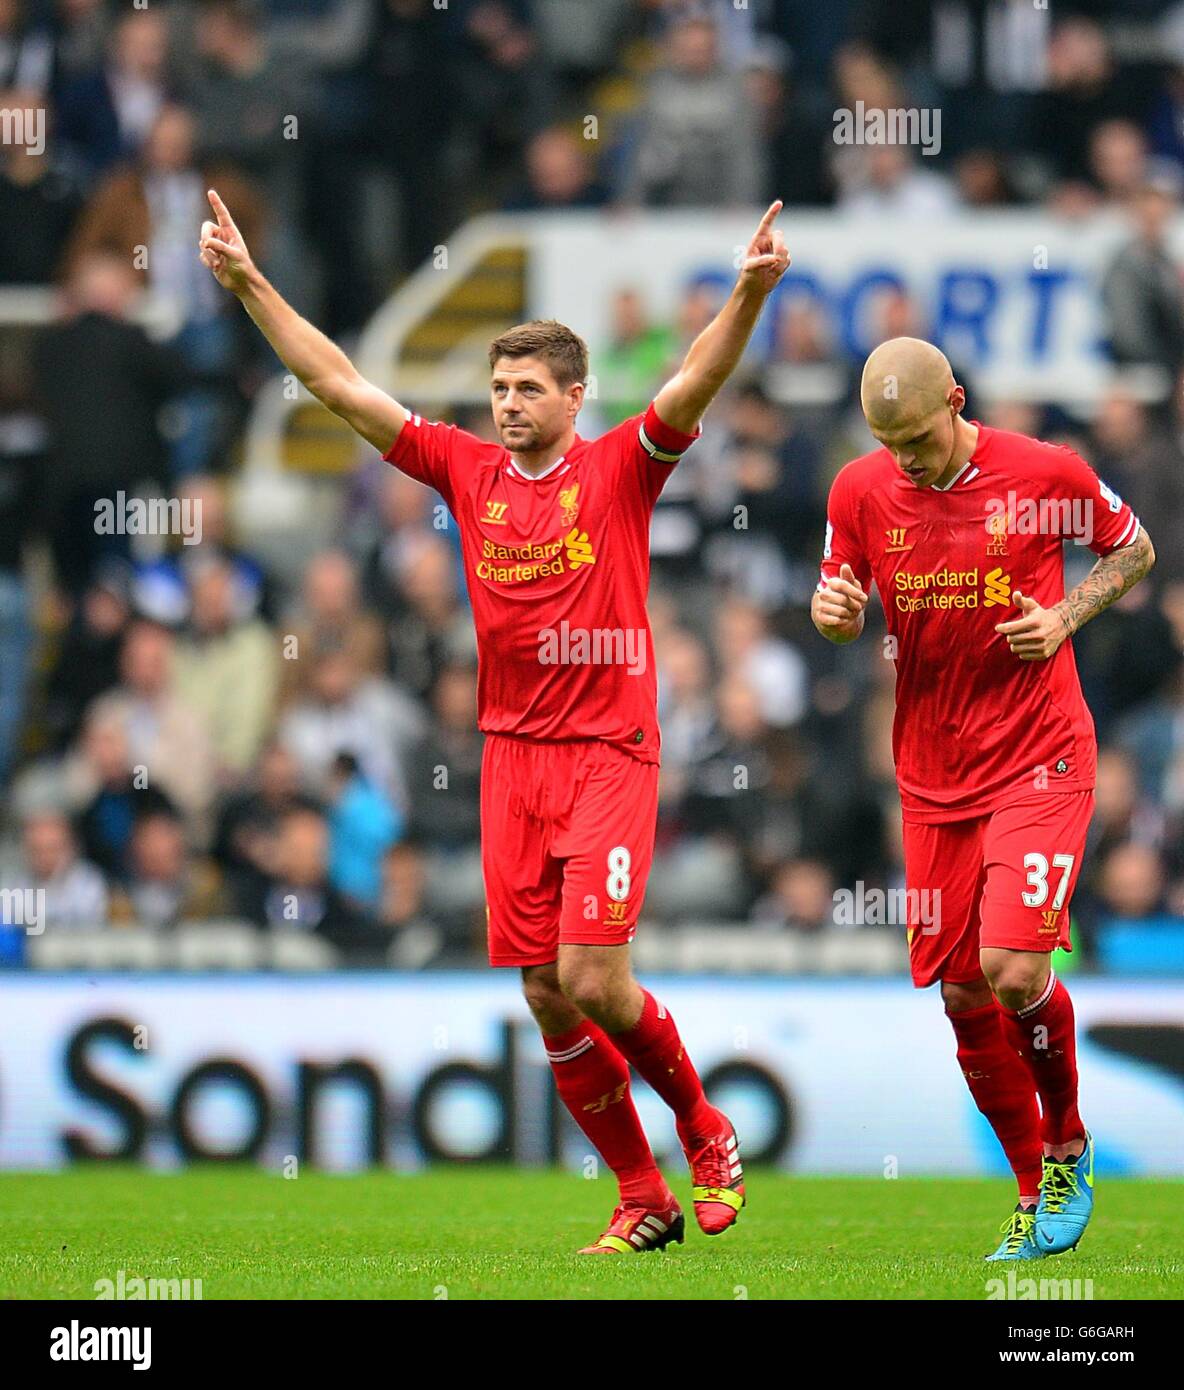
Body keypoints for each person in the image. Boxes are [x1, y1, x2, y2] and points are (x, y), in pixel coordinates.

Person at [199, 186, 791, 1254]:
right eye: (497, 388)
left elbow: (695, 374)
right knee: (541, 990)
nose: (506, 404)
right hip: (511, 757)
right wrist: (247, 284)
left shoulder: (618, 470)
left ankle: (703, 1129)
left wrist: (746, 295)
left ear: (575, 396)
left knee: (590, 976)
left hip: (610, 749)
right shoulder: (465, 472)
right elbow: (332, 381)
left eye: (526, 388)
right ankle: (638, 1193)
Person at [811, 336, 1156, 1262]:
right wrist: (834, 616)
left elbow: (1135, 548)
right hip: (930, 777)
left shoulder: (1045, 471)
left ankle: (1069, 1143)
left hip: (1040, 755)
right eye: (891, 444)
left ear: (956, 400)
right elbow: (835, 592)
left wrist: (1067, 614)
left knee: (1011, 966)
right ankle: (1030, 1190)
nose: (909, 459)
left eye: (921, 437)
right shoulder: (858, 489)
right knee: (963, 992)